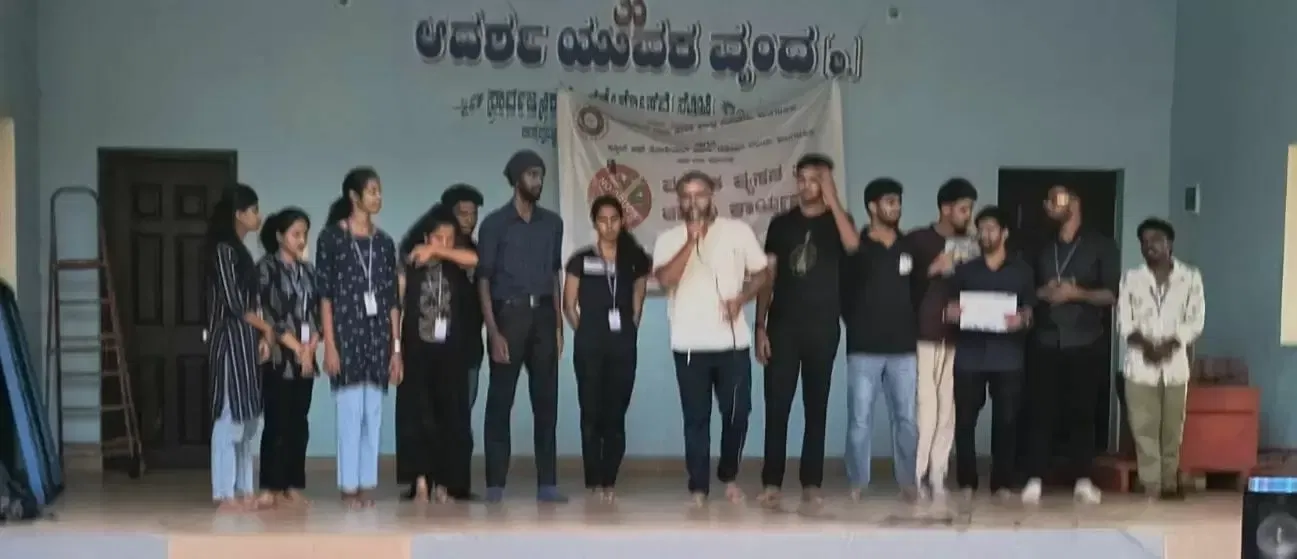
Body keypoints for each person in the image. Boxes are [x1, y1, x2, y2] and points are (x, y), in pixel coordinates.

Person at [652, 171, 770, 507]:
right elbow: (665, 280)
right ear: (679, 200)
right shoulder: (668, 239)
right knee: (696, 419)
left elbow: (762, 273)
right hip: (689, 346)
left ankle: (728, 475)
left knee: (738, 413)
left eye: (699, 194)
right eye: (686, 196)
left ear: (712, 195)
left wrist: (742, 298)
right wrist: (691, 241)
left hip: (732, 344)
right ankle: (698, 487)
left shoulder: (738, 231)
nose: (693, 201)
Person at [754, 154, 858, 509]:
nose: (807, 185)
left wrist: (833, 198)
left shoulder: (839, 222)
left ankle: (811, 482)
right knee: (776, 406)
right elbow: (768, 277)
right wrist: (760, 326)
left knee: (817, 407)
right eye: (802, 178)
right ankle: (771, 482)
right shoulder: (781, 225)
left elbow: (853, 246)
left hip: (823, 328)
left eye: (816, 179)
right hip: (783, 327)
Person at [477, 150, 568, 503]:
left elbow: (555, 275)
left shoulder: (552, 224)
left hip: (544, 317)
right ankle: (495, 484)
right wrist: (493, 331)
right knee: (500, 401)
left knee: (546, 402)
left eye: (540, 175)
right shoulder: (494, 224)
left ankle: (548, 484)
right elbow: (483, 280)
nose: (538, 181)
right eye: (532, 175)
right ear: (517, 179)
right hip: (509, 318)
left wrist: (558, 325)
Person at [1022, 185, 1119, 505]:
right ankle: (1034, 478)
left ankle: (1083, 480)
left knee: (1083, 412)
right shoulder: (1039, 244)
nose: (1049, 205)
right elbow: (1025, 290)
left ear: (1075, 203)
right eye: (1047, 200)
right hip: (1045, 339)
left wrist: (1076, 294)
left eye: (1056, 199)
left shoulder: (1101, 245)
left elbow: (1111, 294)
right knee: (1040, 411)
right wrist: (1045, 292)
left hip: (1085, 339)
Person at [317, 166, 402, 508]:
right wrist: (329, 345)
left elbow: (392, 300)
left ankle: (366, 484)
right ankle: (348, 487)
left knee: (373, 416)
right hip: (346, 337)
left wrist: (396, 349)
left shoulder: (385, 243)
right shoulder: (331, 238)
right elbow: (325, 296)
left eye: (379, 191)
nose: (378, 197)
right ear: (354, 196)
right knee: (350, 415)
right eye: (371, 191)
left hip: (378, 338)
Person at [562, 195, 650, 503]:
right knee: (591, 414)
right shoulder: (581, 259)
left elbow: (639, 297)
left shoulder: (634, 259)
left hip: (622, 346)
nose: (609, 225)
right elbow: (568, 305)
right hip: (589, 346)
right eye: (603, 220)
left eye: (614, 219)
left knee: (615, 415)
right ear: (595, 223)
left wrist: (630, 325)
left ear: (622, 221)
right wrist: (585, 331)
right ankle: (593, 480)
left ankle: (609, 479)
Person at [943, 206, 1034, 500]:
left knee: (1006, 421)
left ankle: (1002, 483)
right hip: (969, 356)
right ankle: (967, 482)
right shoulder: (965, 270)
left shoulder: (1022, 271)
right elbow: (950, 307)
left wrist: (1022, 319)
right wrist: (951, 313)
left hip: (1008, 357)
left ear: (1004, 233)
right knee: (965, 421)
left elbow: (1030, 310)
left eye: (991, 229)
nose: (985, 234)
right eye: (981, 229)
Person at [842, 178, 921, 501]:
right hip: (864, 348)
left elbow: (918, 292)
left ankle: (908, 482)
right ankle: (858, 482)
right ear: (872, 207)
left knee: (906, 420)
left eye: (898, 201)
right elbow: (842, 293)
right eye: (889, 201)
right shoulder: (856, 247)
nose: (896, 207)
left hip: (904, 349)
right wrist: (859, 323)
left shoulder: (909, 246)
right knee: (860, 420)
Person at [396, 205, 481, 503]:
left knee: (451, 417)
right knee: (417, 415)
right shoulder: (410, 263)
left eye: (449, 238)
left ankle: (446, 483)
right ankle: (420, 482)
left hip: (451, 352)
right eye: (438, 237)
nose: (444, 243)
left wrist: (439, 251)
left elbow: (476, 260)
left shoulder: (459, 263)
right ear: (425, 236)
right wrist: (395, 349)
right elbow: (397, 306)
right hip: (417, 350)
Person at [1117, 218, 1204, 500]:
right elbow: (1124, 322)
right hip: (1140, 366)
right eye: (1144, 241)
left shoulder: (1190, 277)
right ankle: (1151, 483)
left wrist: (1169, 345)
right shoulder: (1131, 278)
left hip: (1175, 365)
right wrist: (1147, 347)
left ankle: (1169, 482)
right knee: (1143, 427)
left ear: (1169, 244)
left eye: (1155, 239)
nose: (1149, 246)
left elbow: (1195, 320)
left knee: (1172, 429)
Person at [904, 177, 979, 504]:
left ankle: (938, 473)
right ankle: (916, 474)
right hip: (923, 335)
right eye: (963, 208)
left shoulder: (972, 245)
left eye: (970, 209)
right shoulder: (918, 240)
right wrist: (931, 270)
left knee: (948, 409)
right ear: (945, 209)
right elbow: (898, 284)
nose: (968, 215)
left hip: (957, 337)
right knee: (926, 408)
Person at [204, 183, 271, 512]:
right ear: (239, 214)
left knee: (248, 419)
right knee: (229, 417)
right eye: (254, 210)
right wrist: (267, 328)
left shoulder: (242, 252)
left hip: (247, 342)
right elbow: (233, 304)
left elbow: (253, 303)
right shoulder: (223, 251)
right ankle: (224, 492)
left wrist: (262, 337)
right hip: (229, 343)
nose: (258, 215)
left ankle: (245, 489)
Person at [254, 207, 319, 508]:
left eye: (304, 234)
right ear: (280, 236)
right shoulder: (266, 268)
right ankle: (270, 485)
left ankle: (292, 484)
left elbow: (317, 313)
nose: (301, 240)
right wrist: (296, 348)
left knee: (298, 424)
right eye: (296, 234)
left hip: (306, 359)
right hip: (280, 356)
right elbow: (269, 314)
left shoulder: (309, 271)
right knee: (276, 422)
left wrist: (310, 348)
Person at [440, 184, 487, 409]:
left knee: (465, 409)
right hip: (441, 347)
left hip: (471, 345)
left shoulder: (480, 252)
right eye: (463, 213)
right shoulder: (436, 252)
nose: (469, 220)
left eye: (473, 214)